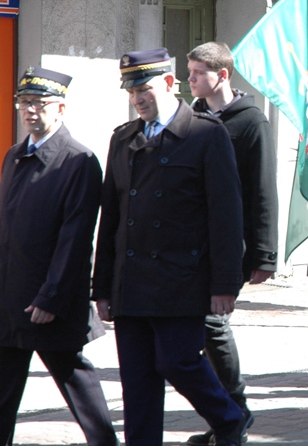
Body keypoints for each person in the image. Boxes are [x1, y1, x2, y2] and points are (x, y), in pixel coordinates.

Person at [92, 48, 247, 446]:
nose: (137, 99)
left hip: (180, 279)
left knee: (178, 362)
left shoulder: (206, 134)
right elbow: (110, 218)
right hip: (131, 283)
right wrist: (102, 287)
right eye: (131, 92)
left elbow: (226, 216)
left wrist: (225, 284)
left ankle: (229, 418)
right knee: (137, 380)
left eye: (143, 89)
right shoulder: (123, 139)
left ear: (167, 83)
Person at [0, 68, 117, 446]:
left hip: (48, 299)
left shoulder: (77, 160)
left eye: (39, 103)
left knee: (75, 380)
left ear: (61, 108)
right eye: (24, 103)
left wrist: (51, 296)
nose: (30, 110)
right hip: (10, 296)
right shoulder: (15, 155)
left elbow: (76, 239)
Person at [184, 42, 279, 445]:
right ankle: (226, 414)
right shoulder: (193, 117)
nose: (190, 81)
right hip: (193, 242)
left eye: (196, 74)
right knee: (198, 328)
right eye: (188, 73)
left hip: (233, 244)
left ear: (222, 75)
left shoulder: (251, 122)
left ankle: (235, 411)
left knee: (212, 322)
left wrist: (265, 253)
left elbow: (263, 190)